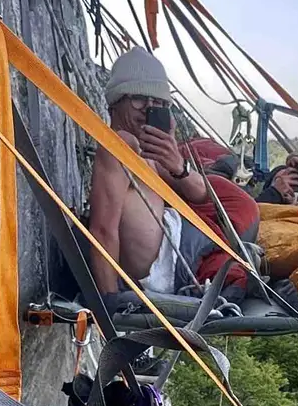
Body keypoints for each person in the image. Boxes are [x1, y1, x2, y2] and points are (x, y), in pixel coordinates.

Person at [87, 48, 211, 298]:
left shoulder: (150, 151)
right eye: (139, 98)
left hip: (185, 256)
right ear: (117, 100)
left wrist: (177, 164)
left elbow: (201, 194)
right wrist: (110, 303)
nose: (148, 108)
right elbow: (102, 230)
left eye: (159, 103)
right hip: (180, 266)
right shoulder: (120, 145)